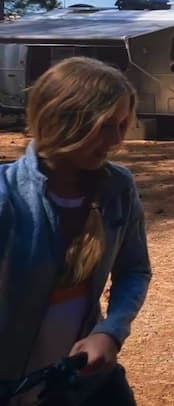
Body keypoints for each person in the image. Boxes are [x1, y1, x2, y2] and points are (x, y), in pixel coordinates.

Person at [0, 57, 151, 405]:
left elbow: (134, 270)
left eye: (122, 124)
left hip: (82, 384)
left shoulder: (118, 188)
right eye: (105, 125)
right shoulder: (7, 196)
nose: (116, 140)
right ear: (63, 119)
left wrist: (110, 332)